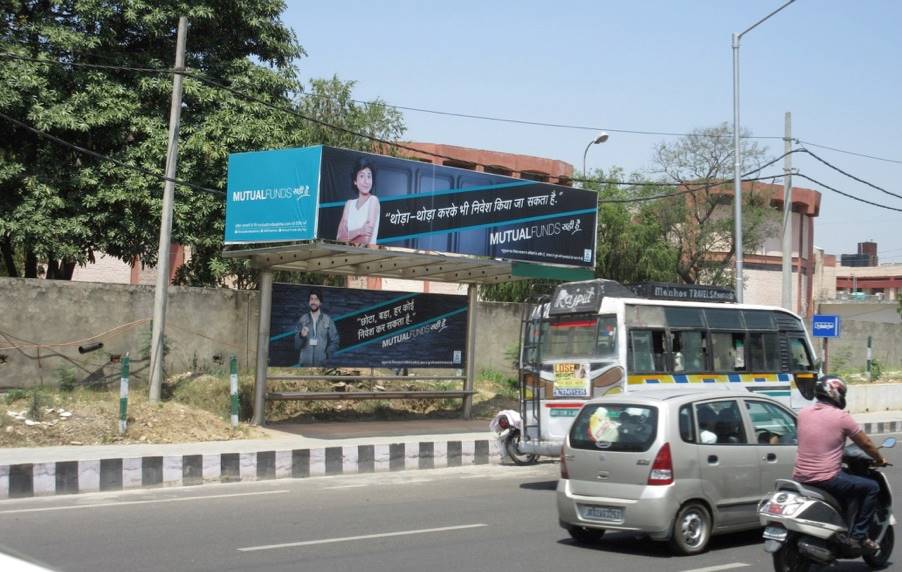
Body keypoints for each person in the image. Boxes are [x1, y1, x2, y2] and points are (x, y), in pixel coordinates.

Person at [792, 376, 887, 553]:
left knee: (849, 481)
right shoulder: (842, 417)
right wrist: (880, 459)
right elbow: (865, 443)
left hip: (800, 476)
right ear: (835, 393)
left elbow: (819, 440)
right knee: (871, 487)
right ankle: (859, 536)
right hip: (826, 478)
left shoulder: (803, 413)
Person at [337, 158, 380, 248]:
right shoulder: (349, 204)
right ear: (355, 181)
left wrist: (348, 235)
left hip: (366, 256)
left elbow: (365, 240)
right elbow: (339, 238)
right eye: (361, 176)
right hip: (345, 255)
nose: (366, 181)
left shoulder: (373, 201)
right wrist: (360, 231)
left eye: (369, 176)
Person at [294, 288, 339, 367]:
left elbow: (335, 341)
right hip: (304, 365)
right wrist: (301, 336)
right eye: (311, 299)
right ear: (309, 302)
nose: (313, 302)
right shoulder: (302, 319)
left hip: (321, 365)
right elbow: (296, 345)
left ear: (320, 302)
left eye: (316, 299)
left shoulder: (327, 320)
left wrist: (326, 354)